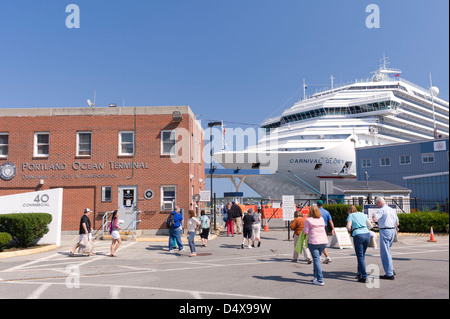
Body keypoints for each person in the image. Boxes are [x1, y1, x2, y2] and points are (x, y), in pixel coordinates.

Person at [372, 197, 399, 280]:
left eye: (376, 204)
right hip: (392, 230)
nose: (377, 206)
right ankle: (390, 269)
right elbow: (397, 223)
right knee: (388, 251)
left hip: (385, 230)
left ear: (380, 202)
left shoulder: (382, 210)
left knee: (385, 253)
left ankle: (389, 274)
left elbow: (375, 219)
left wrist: (373, 215)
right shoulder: (392, 210)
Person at [346, 205, 373, 282]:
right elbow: (371, 225)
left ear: (349, 211)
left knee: (360, 256)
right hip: (367, 234)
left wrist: (351, 231)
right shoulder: (363, 214)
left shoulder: (350, 215)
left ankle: (364, 276)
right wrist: (364, 228)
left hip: (358, 234)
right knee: (362, 255)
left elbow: (348, 227)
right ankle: (359, 271)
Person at [304, 205, 328, 286]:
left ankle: (320, 279)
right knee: (316, 259)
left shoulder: (308, 220)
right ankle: (315, 277)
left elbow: (306, 232)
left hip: (314, 241)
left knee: (316, 260)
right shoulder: (321, 219)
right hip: (323, 241)